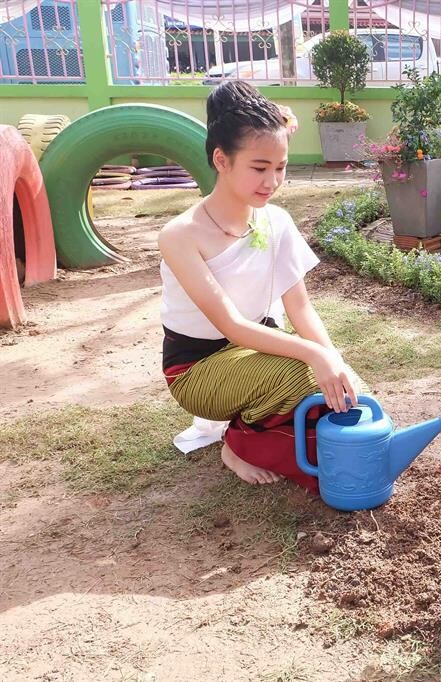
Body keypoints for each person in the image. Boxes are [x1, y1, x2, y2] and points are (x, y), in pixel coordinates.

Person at [159, 81, 364, 492]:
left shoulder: (276, 221)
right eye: (259, 167)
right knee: (304, 379)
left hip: (257, 349)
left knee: (346, 392)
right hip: (197, 369)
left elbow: (300, 308)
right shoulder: (181, 235)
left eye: (281, 167)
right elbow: (231, 327)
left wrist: (335, 359)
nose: (272, 181)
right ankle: (238, 445)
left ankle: (264, 436)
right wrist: (315, 357)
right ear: (222, 159)